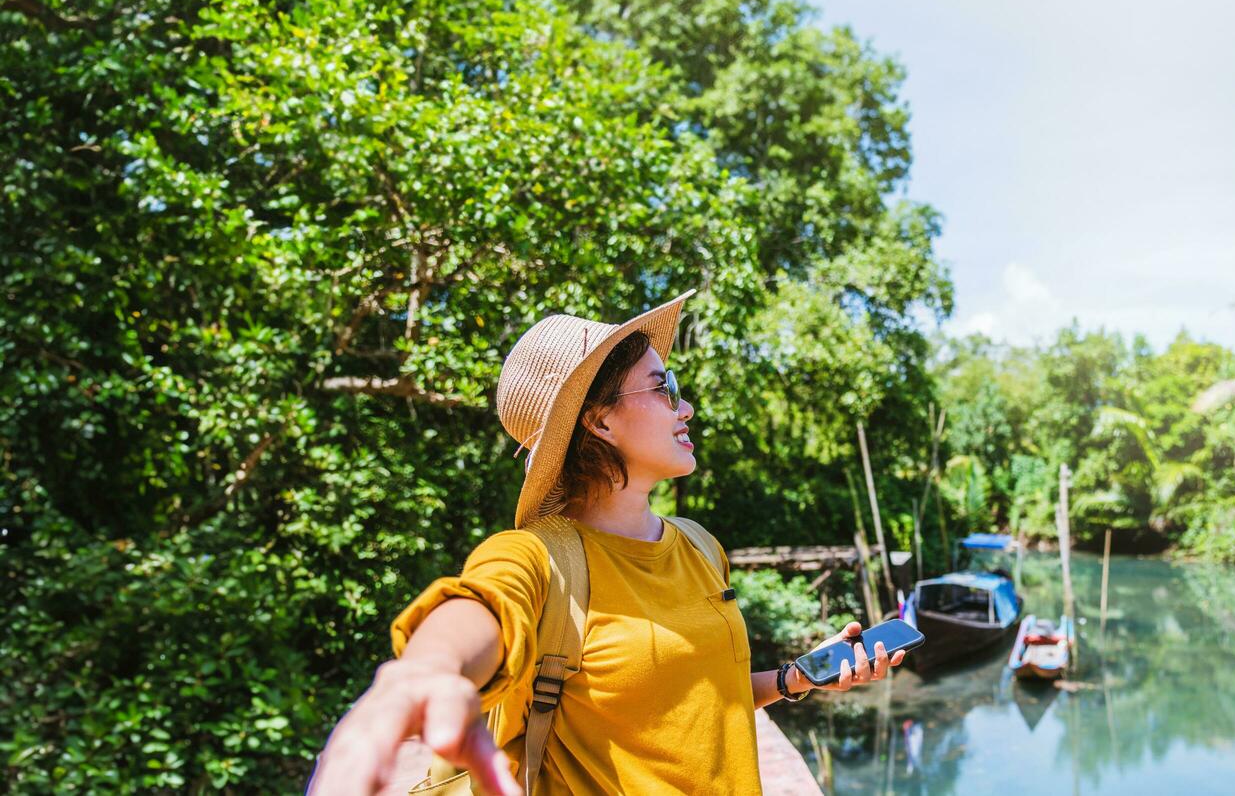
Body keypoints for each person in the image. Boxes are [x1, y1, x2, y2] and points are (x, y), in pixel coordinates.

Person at [310, 291, 901, 795]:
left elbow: (695, 702)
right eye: (663, 388)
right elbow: (482, 601)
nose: (686, 406)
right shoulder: (538, 556)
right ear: (599, 421)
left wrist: (797, 678)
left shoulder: (700, 546)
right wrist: (428, 669)